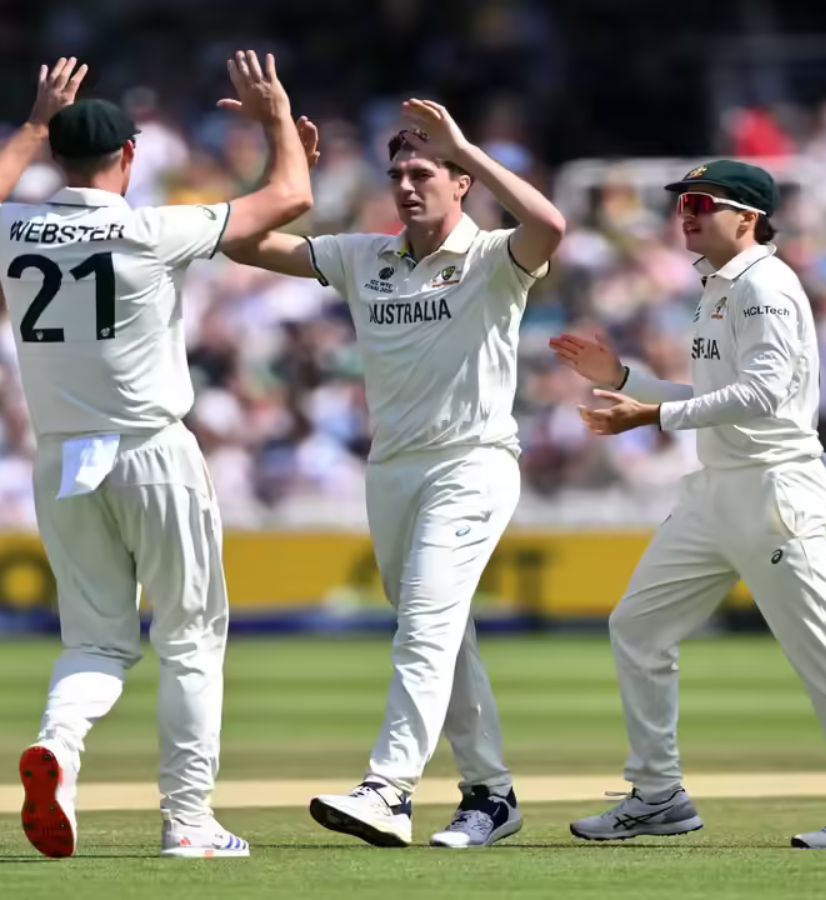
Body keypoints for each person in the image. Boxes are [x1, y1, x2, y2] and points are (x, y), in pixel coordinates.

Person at [222, 100, 565, 849]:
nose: (408, 186)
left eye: (424, 172)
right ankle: (490, 794)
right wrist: (286, 165)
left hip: (472, 464)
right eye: (398, 174)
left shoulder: (493, 257)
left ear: (460, 183)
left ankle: (390, 789)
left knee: (426, 631)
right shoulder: (363, 256)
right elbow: (241, 241)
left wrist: (466, 146)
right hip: (393, 472)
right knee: (440, 634)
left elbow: (552, 228)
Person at [549, 160, 826, 850]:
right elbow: (712, 395)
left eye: (699, 203)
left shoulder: (767, 285)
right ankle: (658, 795)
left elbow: (766, 393)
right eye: (681, 204)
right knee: (638, 626)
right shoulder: (716, 288)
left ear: (747, 217)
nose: (684, 214)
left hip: (774, 488)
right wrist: (625, 379)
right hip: (716, 490)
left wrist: (650, 415)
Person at [6, 51, 312, 859]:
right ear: (130, 158)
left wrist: (32, 124)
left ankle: (59, 748)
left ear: (55, 154)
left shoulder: (13, 228)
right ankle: (188, 820)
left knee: (95, 641)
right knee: (191, 637)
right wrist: (277, 119)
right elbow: (292, 198)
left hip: (62, 458)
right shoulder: (150, 229)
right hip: (150, 451)